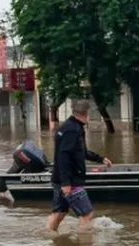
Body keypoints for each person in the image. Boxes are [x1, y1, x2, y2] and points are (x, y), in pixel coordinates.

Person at [48, 99, 112, 232]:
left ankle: (50, 237)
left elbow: (80, 151)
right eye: (88, 113)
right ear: (84, 114)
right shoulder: (72, 130)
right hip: (71, 181)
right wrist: (66, 182)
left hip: (60, 179)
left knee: (59, 212)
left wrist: (100, 159)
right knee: (87, 214)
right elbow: (63, 156)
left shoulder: (70, 127)